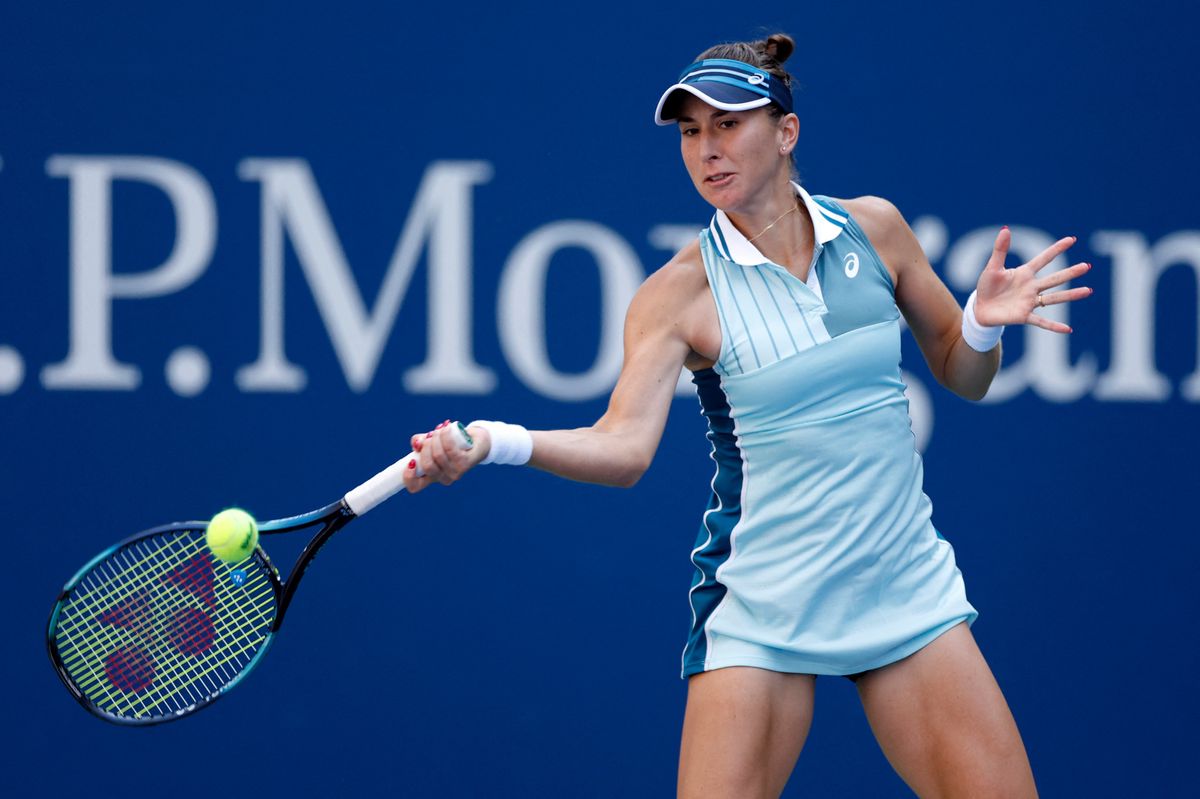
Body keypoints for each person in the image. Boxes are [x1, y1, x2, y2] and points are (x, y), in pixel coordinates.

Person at [403, 33, 1091, 799]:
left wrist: (983, 325)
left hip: (902, 584)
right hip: (764, 606)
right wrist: (494, 441)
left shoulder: (876, 230)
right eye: (691, 131)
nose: (707, 149)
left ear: (786, 131)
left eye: (728, 124)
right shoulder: (677, 293)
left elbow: (964, 374)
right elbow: (623, 447)